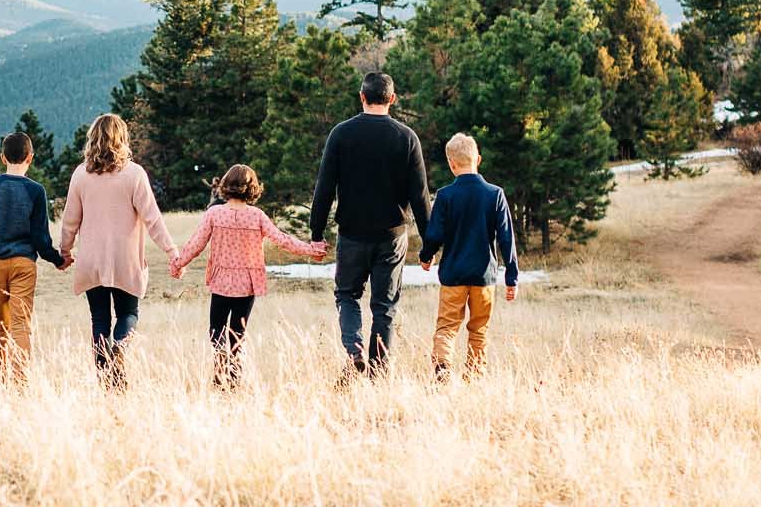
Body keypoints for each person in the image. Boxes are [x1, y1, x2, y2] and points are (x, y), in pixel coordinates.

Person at [309, 71, 431, 376]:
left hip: (351, 233)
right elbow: (420, 197)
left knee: (347, 295)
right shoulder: (407, 138)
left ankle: (354, 351)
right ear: (392, 99)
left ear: (362, 97)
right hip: (391, 236)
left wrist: (316, 233)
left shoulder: (341, 134)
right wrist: (429, 245)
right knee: (384, 305)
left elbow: (324, 187)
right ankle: (378, 371)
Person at [170, 164, 326, 388]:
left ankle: (220, 369)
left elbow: (197, 243)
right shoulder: (257, 216)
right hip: (247, 284)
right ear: (251, 188)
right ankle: (233, 376)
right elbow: (283, 240)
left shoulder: (214, 213)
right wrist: (313, 249)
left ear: (226, 185)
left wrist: (178, 263)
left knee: (216, 330)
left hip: (222, 281)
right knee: (237, 332)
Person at [59, 113, 180, 389]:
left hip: (92, 260)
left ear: (93, 139)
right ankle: (121, 345)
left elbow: (70, 220)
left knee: (99, 318)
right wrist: (172, 251)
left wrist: (64, 252)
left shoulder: (81, 174)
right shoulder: (134, 174)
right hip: (126, 259)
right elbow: (153, 219)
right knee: (128, 314)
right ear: (122, 139)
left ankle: (108, 383)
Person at [0, 131, 69, 385]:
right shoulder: (35, 191)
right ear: (30, 157)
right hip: (24, 264)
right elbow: (41, 239)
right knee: (21, 323)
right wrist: (57, 260)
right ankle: (20, 383)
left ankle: (2, 380)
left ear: (2, 158)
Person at [419, 132, 520, 380]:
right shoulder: (495, 194)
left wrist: (426, 256)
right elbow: (507, 239)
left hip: (453, 274)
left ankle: (442, 368)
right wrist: (512, 277)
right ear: (479, 159)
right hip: (484, 277)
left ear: (452, 164)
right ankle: (474, 377)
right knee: (479, 329)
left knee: (446, 327)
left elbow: (434, 234)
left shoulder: (445, 196)